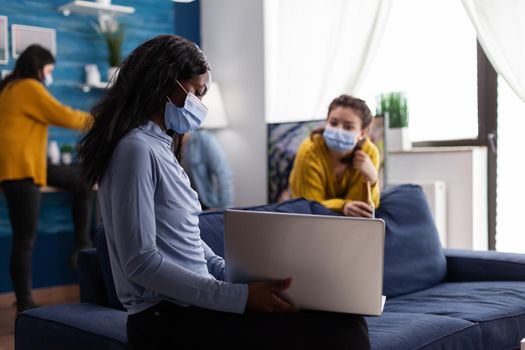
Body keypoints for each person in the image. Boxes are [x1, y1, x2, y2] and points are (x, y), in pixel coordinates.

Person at [78, 35, 370, 349]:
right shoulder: (134, 149)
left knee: (342, 318)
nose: (200, 105)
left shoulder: (160, 148)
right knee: (340, 331)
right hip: (166, 320)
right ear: (167, 84)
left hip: (193, 309)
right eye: (198, 93)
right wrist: (241, 297)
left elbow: (184, 241)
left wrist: (237, 275)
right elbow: (141, 263)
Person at [0, 45, 94, 313]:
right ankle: (25, 303)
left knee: (83, 179)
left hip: (28, 166)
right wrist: (99, 121)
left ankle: (82, 243)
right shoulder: (28, 87)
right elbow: (62, 114)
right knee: (24, 242)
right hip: (22, 171)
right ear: (38, 66)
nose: (48, 76)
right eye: (49, 70)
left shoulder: (8, 87)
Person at [289, 95, 381, 217]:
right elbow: (309, 205)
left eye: (348, 127)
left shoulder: (369, 153)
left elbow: (363, 208)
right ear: (326, 122)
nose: (338, 130)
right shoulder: (309, 151)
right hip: (311, 216)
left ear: (362, 133)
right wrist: (343, 206)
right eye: (333, 123)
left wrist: (372, 179)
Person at [181, 129, 234, 210]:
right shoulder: (166, 144)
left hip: (205, 206)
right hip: (183, 207)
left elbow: (223, 173)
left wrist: (224, 209)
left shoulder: (204, 139)